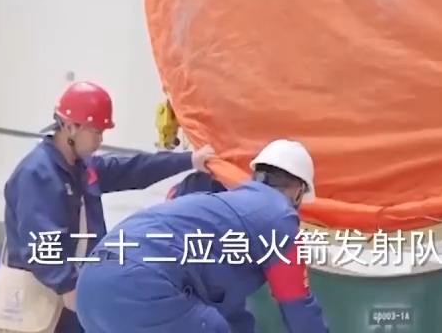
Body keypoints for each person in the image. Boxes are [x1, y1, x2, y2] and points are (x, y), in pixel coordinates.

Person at [0, 82, 212, 333]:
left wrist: (189, 160)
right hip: (49, 301)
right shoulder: (38, 173)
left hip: (75, 296)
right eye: (96, 132)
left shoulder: (81, 169)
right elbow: (40, 243)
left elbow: (134, 169)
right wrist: (69, 286)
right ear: (70, 127)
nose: (100, 140)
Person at [74, 139, 329, 333]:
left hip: (91, 284)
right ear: (298, 193)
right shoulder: (280, 219)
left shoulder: (221, 206)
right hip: (143, 285)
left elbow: (229, 312)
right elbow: (298, 306)